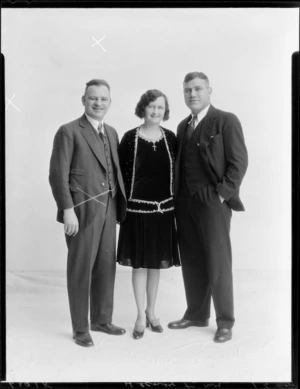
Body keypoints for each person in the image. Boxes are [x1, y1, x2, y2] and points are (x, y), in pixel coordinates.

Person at [168, 72, 248, 343]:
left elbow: (239, 162)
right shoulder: (182, 126)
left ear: (209, 90)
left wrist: (221, 195)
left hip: (212, 201)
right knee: (191, 260)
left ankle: (225, 322)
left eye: (198, 89)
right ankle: (196, 314)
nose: (192, 94)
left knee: (218, 262)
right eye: (187, 90)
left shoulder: (226, 120)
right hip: (184, 202)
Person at [49, 79, 127, 347]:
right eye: (93, 98)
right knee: (81, 269)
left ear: (110, 102)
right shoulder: (68, 131)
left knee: (106, 266)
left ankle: (102, 319)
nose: (98, 103)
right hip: (82, 211)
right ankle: (80, 328)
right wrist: (67, 210)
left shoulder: (113, 132)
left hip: (110, 208)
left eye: (103, 99)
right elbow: (57, 175)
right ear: (83, 100)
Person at [117, 89, 180, 339]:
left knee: (156, 265)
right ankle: (140, 316)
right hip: (136, 212)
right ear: (143, 108)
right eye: (152, 106)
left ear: (165, 112)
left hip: (163, 212)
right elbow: (120, 175)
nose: (156, 111)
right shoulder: (130, 138)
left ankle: (152, 312)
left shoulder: (172, 138)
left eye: (161, 108)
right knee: (140, 265)